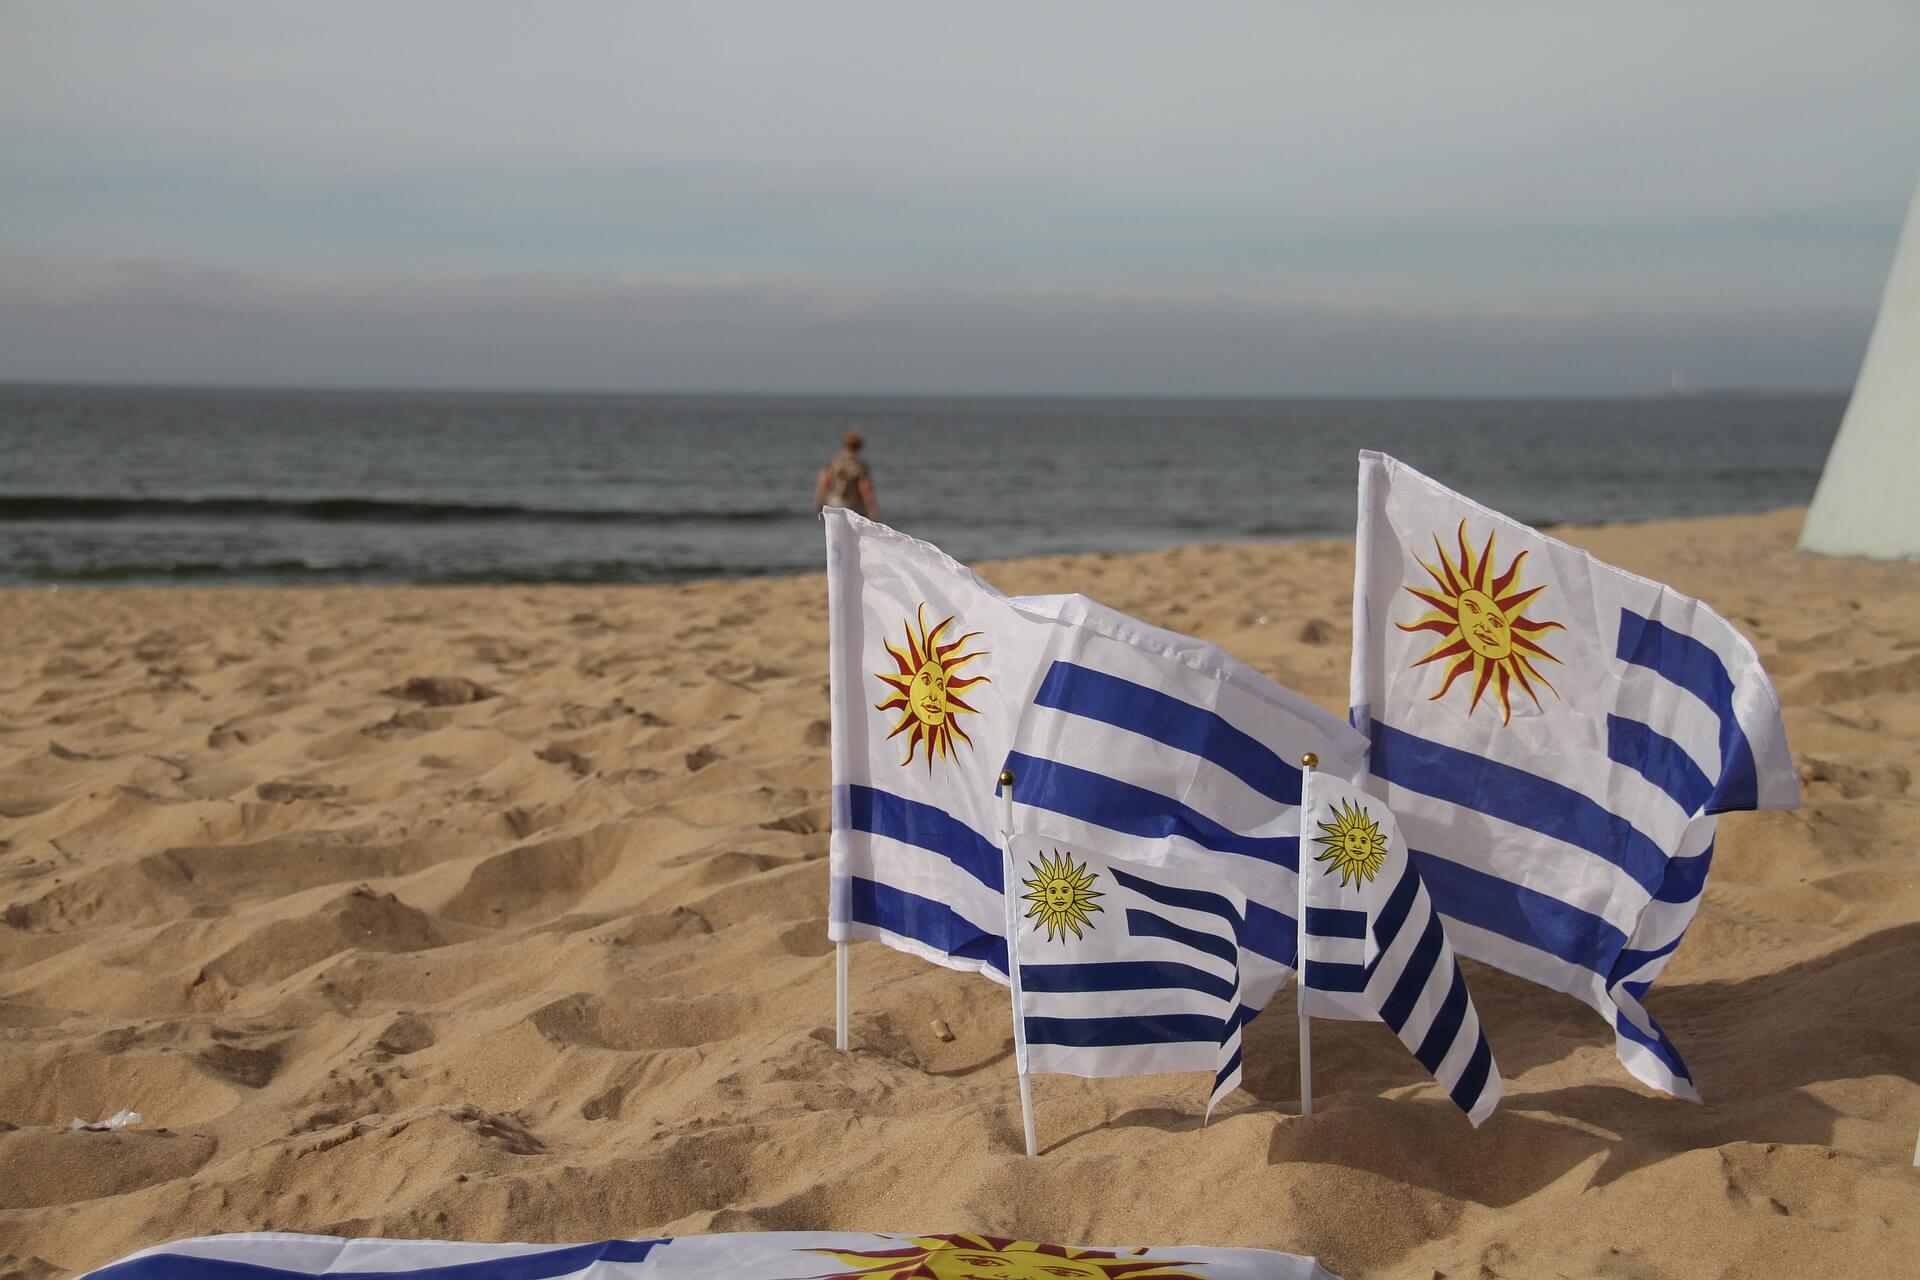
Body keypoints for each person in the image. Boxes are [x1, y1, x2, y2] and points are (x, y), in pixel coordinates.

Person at [815, 430, 879, 519]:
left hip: (834, 503)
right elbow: (865, 489)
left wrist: (820, 503)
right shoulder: (859, 466)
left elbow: (823, 483)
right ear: (859, 446)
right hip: (854, 505)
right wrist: (873, 510)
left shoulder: (833, 462)